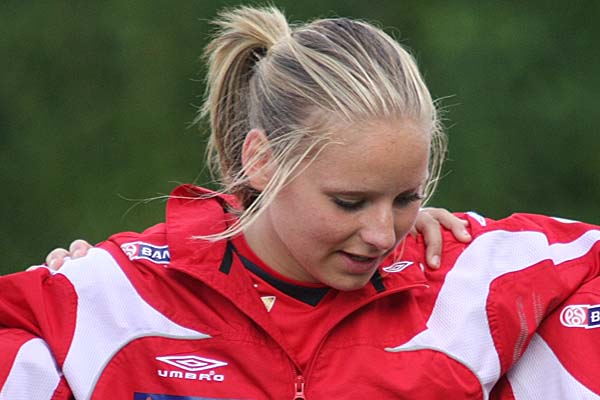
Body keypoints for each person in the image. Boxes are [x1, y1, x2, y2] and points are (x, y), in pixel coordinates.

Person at [1, 5, 599, 399]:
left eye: (405, 198)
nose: (382, 234)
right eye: (350, 201)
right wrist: (70, 290)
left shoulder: (466, 275)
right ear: (262, 160)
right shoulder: (115, 294)